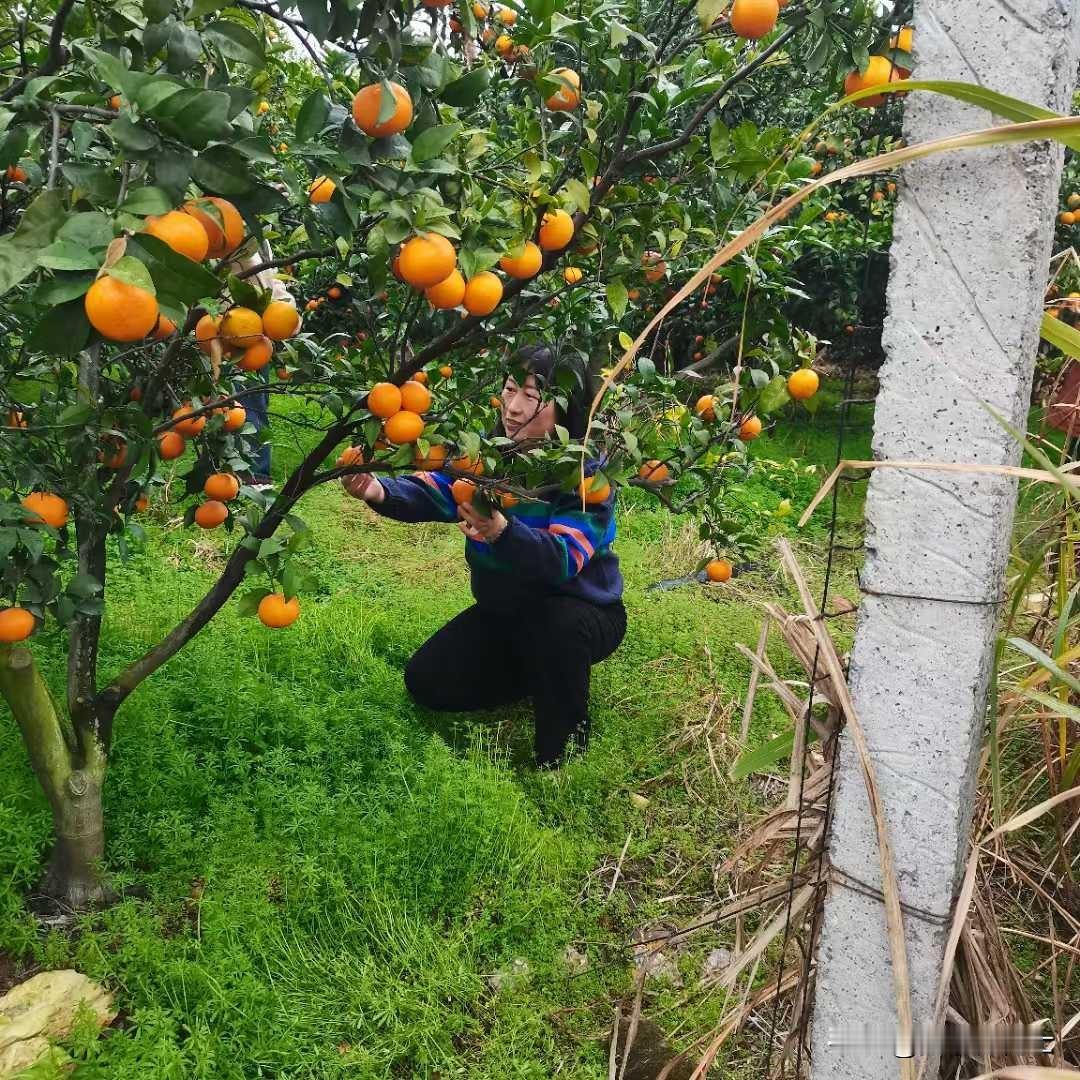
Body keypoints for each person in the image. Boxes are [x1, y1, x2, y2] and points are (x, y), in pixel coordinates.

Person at [342, 345, 626, 768]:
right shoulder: (489, 458)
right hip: (507, 613)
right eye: (511, 389)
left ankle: (562, 750)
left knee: (556, 627)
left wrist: (501, 532)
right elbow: (438, 489)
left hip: (581, 611)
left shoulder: (584, 476)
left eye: (532, 397)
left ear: (566, 409)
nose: (513, 408)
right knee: (429, 683)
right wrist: (379, 491)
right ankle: (542, 674)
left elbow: (561, 560)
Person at [233, 241, 294, 487]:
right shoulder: (224, 228)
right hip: (230, 331)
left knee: (253, 405)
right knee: (233, 408)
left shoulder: (258, 237)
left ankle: (252, 474)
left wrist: (286, 305)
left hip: (257, 336)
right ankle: (236, 472)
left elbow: (269, 279)